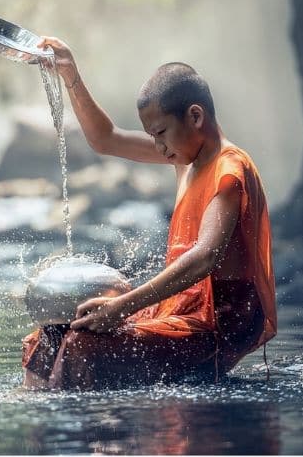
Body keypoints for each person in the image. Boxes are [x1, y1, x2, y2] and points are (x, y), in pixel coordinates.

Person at [22, 36, 277, 390]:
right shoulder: (184, 154)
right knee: (49, 335)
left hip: (217, 324)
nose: (158, 147)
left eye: (160, 133)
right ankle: (35, 418)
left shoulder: (228, 169)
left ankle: (92, 438)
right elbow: (106, 139)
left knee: (82, 345)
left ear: (195, 116)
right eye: (152, 136)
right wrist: (71, 76)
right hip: (179, 309)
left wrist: (122, 306)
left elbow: (205, 257)